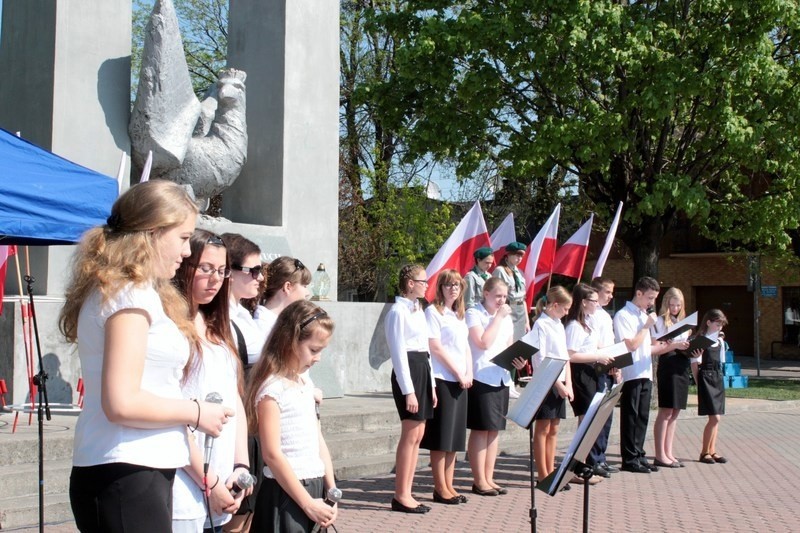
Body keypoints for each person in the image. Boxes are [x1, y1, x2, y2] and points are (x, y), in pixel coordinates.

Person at [59, 180, 233, 532]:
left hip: (133, 468)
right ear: (153, 232)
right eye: (183, 238)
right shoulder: (130, 294)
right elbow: (121, 402)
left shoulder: (132, 291)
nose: (186, 252)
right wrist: (197, 412)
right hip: (126, 469)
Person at [172, 230, 252, 532]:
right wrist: (209, 482)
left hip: (222, 483)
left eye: (221, 271)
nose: (215, 279)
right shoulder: (170, 329)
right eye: (205, 269)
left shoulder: (219, 327)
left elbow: (235, 401)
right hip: (183, 487)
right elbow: (172, 417)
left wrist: (240, 467)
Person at [245, 300, 338, 531]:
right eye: (313, 350)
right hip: (285, 491)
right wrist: (306, 503)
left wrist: (332, 490)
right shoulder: (272, 389)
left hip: (315, 487)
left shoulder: (305, 382)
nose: (317, 358)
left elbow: (318, 440)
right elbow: (272, 453)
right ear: (290, 341)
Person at [385, 264, 437, 513]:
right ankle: (400, 494)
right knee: (410, 433)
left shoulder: (419, 310)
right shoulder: (397, 311)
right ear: (409, 283)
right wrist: (409, 390)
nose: (426, 285)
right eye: (422, 281)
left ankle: (408, 491)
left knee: (418, 435)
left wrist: (433, 385)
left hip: (422, 370)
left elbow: (425, 350)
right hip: (408, 372)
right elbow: (398, 353)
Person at [421, 269, 472, 505]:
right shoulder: (433, 312)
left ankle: (449, 485)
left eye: (457, 285)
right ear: (440, 287)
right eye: (448, 284)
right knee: (441, 438)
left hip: (461, 379)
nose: (453, 288)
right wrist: (458, 372)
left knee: (454, 438)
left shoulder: (458, 315)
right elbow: (436, 347)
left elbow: (466, 347)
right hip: (444, 378)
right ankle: (439, 487)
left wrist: (469, 372)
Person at [613, 276, 673, 474]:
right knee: (630, 416)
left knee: (642, 416)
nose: (651, 302)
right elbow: (631, 345)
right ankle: (629, 458)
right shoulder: (624, 315)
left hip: (645, 370)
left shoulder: (642, 315)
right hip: (631, 372)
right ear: (638, 293)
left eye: (654, 298)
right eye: (649, 298)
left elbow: (646, 348)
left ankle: (639, 454)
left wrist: (666, 345)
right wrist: (646, 326)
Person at [518, 286, 575, 486]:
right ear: (554, 305)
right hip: (546, 381)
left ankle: (551, 471)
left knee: (554, 428)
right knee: (542, 428)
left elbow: (565, 356)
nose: (567, 313)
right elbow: (540, 359)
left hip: (560, 382)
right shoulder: (540, 325)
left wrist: (569, 383)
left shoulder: (558, 324)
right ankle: (543, 474)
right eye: (565, 308)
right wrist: (558, 384)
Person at [466, 277, 514, 496]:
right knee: (481, 428)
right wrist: (498, 318)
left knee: (494, 430)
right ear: (486, 293)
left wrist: (518, 359)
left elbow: (508, 345)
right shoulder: (474, 313)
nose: (501, 301)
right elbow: (482, 342)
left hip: (501, 376)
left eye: (504, 297)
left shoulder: (506, 317)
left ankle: (489, 477)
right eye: (497, 296)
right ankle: (478, 480)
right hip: (481, 376)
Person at [564, 283, 615, 483]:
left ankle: (582, 466)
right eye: (593, 301)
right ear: (583, 302)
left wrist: (609, 354)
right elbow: (570, 355)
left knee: (590, 422)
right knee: (585, 422)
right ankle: (576, 468)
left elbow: (596, 345)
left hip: (592, 372)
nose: (597, 304)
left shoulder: (588, 322)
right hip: (581, 375)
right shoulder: (574, 326)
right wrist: (597, 356)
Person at [650, 287, 691, 468]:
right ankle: (660, 454)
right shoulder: (659, 321)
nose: (675, 308)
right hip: (668, 365)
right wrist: (675, 345)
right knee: (666, 411)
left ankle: (669, 452)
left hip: (681, 365)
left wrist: (691, 347)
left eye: (678, 305)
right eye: (672, 305)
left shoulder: (683, 323)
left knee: (675, 412)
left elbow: (683, 346)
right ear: (666, 304)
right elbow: (657, 348)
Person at [585, 277, 621, 477]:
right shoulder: (592, 316)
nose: (611, 295)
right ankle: (593, 459)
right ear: (596, 292)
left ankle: (601, 456)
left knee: (607, 415)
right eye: (607, 292)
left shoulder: (606, 316)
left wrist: (616, 365)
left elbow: (611, 342)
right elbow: (596, 344)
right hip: (598, 367)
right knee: (598, 414)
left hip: (609, 366)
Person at [222, 233, 267, 371]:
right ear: (229, 271)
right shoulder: (219, 317)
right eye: (254, 271)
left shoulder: (242, 313)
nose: (260, 277)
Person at [691, 309, 729, 465]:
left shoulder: (719, 341)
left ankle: (712, 450)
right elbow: (694, 364)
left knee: (717, 418)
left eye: (721, 324)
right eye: (717, 323)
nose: (719, 327)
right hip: (706, 376)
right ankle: (704, 452)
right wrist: (698, 382)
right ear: (708, 322)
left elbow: (722, 362)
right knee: (714, 417)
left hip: (717, 377)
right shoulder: (700, 340)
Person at [492, 242, 530, 340]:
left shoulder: (519, 273)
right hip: (507, 307)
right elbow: (495, 294)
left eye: (521, 256)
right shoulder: (500, 271)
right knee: (507, 340)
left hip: (520, 309)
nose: (519, 259)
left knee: (519, 342)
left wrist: (527, 321)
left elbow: (523, 299)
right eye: (517, 255)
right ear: (508, 255)